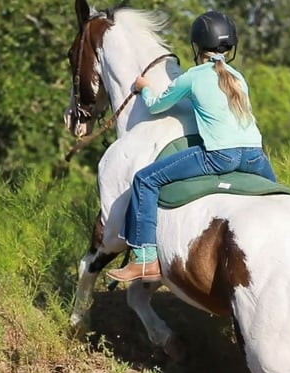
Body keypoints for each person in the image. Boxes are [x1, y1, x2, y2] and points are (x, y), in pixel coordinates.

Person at [107, 10, 277, 283]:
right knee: (278, 199)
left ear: (196, 46)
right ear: (231, 47)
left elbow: (155, 105)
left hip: (221, 156)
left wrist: (144, 87)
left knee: (145, 180)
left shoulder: (193, 76)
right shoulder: (237, 77)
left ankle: (145, 260)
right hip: (256, 157)